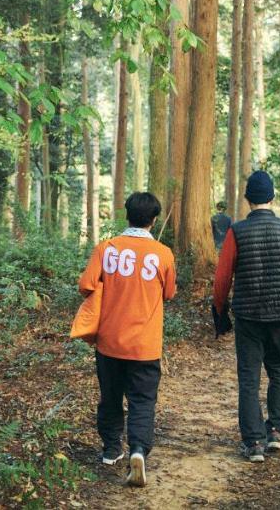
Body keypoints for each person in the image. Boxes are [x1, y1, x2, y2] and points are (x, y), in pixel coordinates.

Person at [212, 170, 280, 463]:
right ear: (272, 197)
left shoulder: (236, 231)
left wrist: (219, 308)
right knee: (279, 369)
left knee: (249, 376)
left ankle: (254, 441)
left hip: (248, 314)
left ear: (247, 199)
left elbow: (222, 277)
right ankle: (277, 431)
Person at [78, 192, 177, 488]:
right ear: (154, 220)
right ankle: (138, 450)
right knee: (143, 401)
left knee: (110, 396)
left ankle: (111, 449)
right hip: (145, 345)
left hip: (109, 341)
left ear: (127, 216)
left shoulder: (106, 248)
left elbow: (85, 285)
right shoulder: (163, 254)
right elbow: (169, 293)